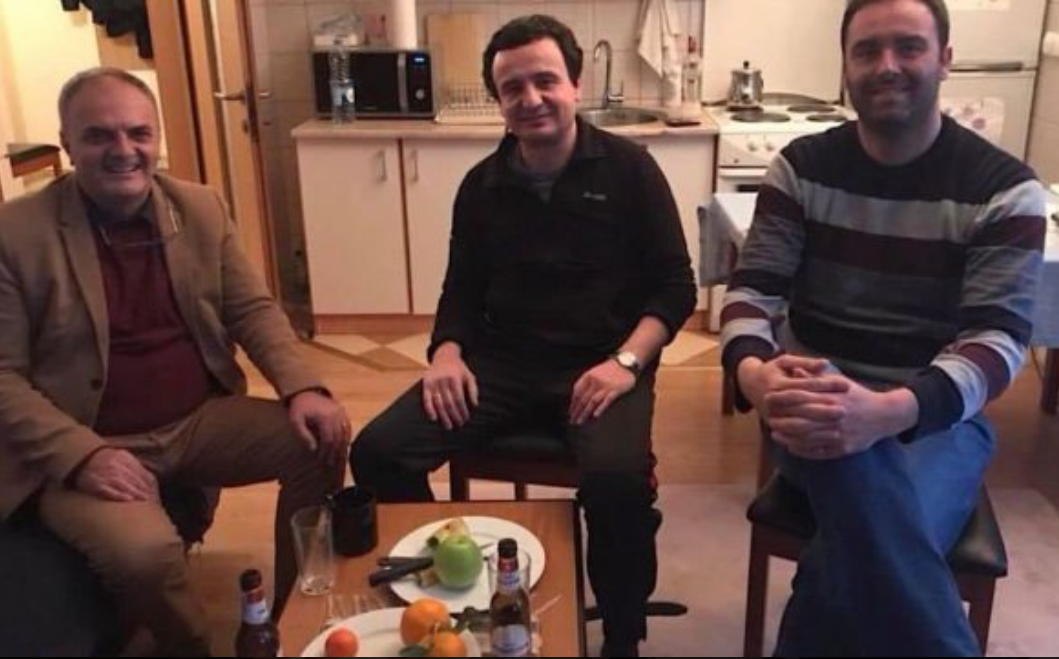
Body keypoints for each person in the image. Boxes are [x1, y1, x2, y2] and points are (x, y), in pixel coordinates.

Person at [350, 15, 695, 657]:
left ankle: (622, 635)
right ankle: (444, 590)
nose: (531, 98)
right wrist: (446, 354)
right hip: (503, 363)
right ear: (498, 100)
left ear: (575, 85)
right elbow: (460, 291)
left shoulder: (631, 170)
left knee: (617, 483)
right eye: (513, 88)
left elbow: (675, 288)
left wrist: (626, 363)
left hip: (601, 363)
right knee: (378, 452)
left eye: (545, 81)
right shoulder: (481, 186)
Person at [721, 0, 1047, 655]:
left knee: (863, 545)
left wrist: (886, 411)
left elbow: (997, 341)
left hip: (934, 418)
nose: (886, 65)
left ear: (944, 60)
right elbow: (752, 292)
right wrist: (756, 377)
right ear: (845, 65)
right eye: (866, 50)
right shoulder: (801, 168)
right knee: (883, 528)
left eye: (908, 47)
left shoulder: (1005, 189)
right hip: (813, 396)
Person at [0, 68, 350, 656]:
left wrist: (303, 388)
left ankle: (287, 624)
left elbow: (252, 309)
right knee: (145, 554)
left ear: (157, 137)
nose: (123, 150)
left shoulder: (200, 207)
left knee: (323, 440)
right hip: (90, 436)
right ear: (67, 143)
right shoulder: (15, 233)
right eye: (99, 135)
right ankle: (191, 647)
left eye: (138, 133)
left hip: (196, 420)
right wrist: (82, 455)